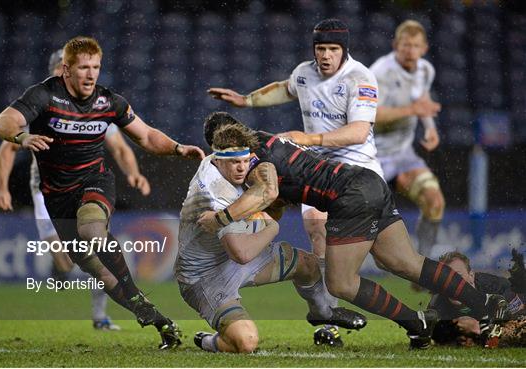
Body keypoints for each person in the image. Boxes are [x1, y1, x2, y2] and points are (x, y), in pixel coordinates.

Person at [198, 111, 507, 349]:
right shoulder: (266, 141)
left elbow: (265, 191)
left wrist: (222, 218)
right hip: (368, 182)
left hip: (349, 196)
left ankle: (416, 324)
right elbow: (277, 197)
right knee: (403, 262)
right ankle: (486, 304)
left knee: (341, 283)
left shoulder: (253, 159)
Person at [0, 36, 205, 349]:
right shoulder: (44, 95)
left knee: (92, 230)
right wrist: (21, 137)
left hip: (94, 180)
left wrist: (176, 148)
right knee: (92, 266)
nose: (91, 75)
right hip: (56, 196)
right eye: (83, 68)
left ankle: (134, 294)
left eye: (96, 67)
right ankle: (154, 316)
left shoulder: (109, 102)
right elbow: (2, 122)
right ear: (66, 69)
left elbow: (145, 136)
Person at [208, 17, 383, 326]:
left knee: (384, 254)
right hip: (316, 169)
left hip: (359, 165)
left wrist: (309, 138)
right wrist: (246, 100)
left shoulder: (361, 78)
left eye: (332, 49)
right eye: (320, 49)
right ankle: (329, 317)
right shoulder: (304, 73)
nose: (325, 55)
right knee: (318, 230)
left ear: (344, 50)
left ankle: (418, 303)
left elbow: (358, 132)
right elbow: (284, 89)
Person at [0, 49, 151, 330]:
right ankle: (62, 272)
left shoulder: (95, 107)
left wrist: (134, 173)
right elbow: (7, 147)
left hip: (86, 184)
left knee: (96, 242)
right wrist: (1, 187)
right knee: (66, 262)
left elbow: (119, 146)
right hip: (46, 190)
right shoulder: (39, 103)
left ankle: (101, 315)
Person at [175, 130, 366, 353]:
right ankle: (209, 341)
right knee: (246, 342)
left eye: (245, 161)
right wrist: (273, 227)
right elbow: (242, 254)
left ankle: (323, 314)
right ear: (217, 160)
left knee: (309, 265)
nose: (242, 168)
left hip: (233, 256)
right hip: (204, 276)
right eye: (235, 162)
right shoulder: (217, 195)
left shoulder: (220, 162)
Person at [369, 20, 444, 263]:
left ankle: (423, 262)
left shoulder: (426, 70)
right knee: (360, 217)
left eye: (415, 46)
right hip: (371, 156)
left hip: (402, 155)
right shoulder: (381, 72)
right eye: (405, 45)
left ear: (424, 48)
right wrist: (413, 109)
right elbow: (373, 115)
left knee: (434, 201)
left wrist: (430, 128)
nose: (410, 51)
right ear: (395, 46)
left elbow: (421, 98)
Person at [428, 250, 525, 347]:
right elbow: (433, 337)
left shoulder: (497, 288)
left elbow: (515, 318)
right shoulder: (437, 305)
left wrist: (480, 327)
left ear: (471, 276)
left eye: (458, 276)